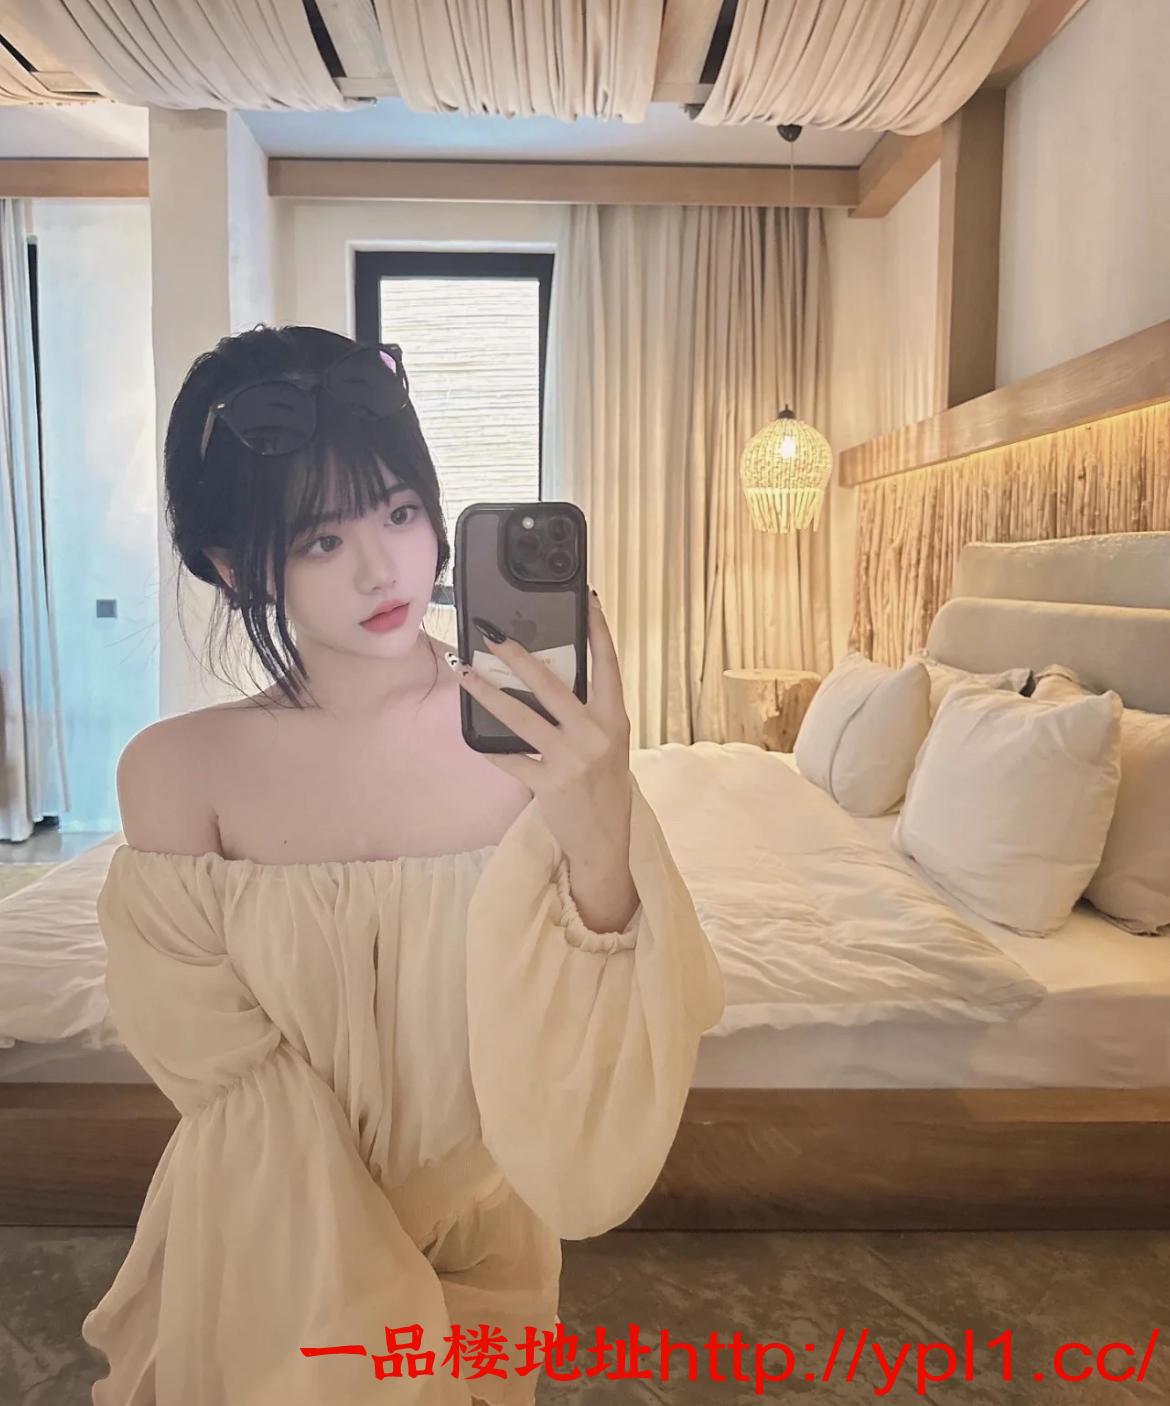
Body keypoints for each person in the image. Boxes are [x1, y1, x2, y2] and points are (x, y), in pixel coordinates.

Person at [81, 324, 725, 1405]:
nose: (383, 568)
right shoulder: (177, 772)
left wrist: (600, 808)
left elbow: (614, 1013)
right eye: (320, 539)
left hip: (484, 1244)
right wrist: (372, 1292)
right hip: (269, 1253)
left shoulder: (533, 735)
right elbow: (219, 1068)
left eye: (397, 511)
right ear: (236, 566)